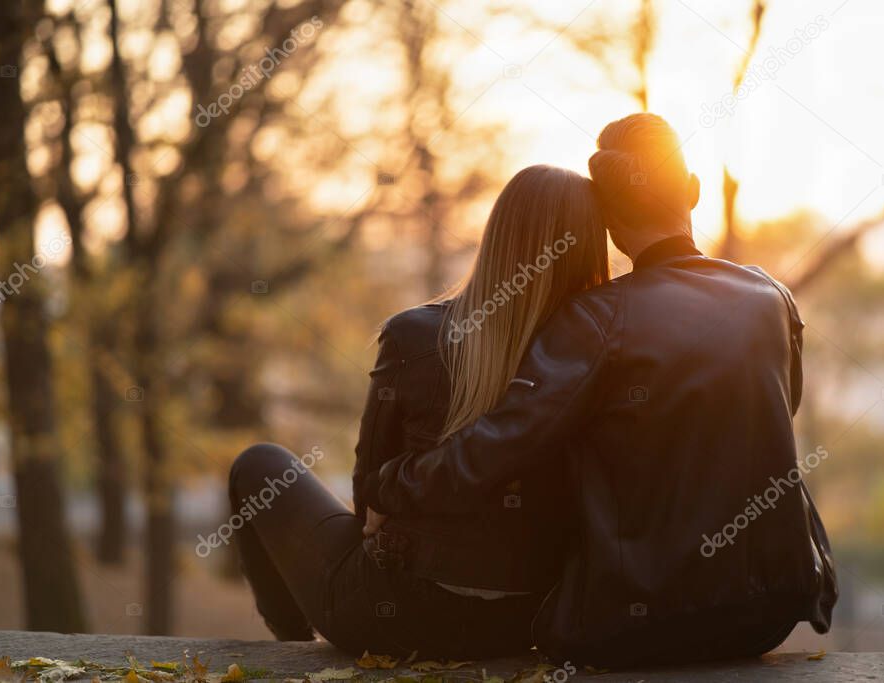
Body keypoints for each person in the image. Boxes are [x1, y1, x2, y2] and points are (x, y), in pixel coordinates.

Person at [361, 113, 838, 667]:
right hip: (767, 614)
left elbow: (492, 451)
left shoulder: (595, 318)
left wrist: (386, 487)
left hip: (640, 622)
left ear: (606, 218)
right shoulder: (770, 297)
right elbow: (777, 410)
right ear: (693, 192)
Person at [228, 165, 610, 658]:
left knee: (257, 466)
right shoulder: (600, 356)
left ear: (497, 236)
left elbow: (368, 496)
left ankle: (291, 650)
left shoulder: (416, 336)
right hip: (528, 622)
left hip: (396, 617)